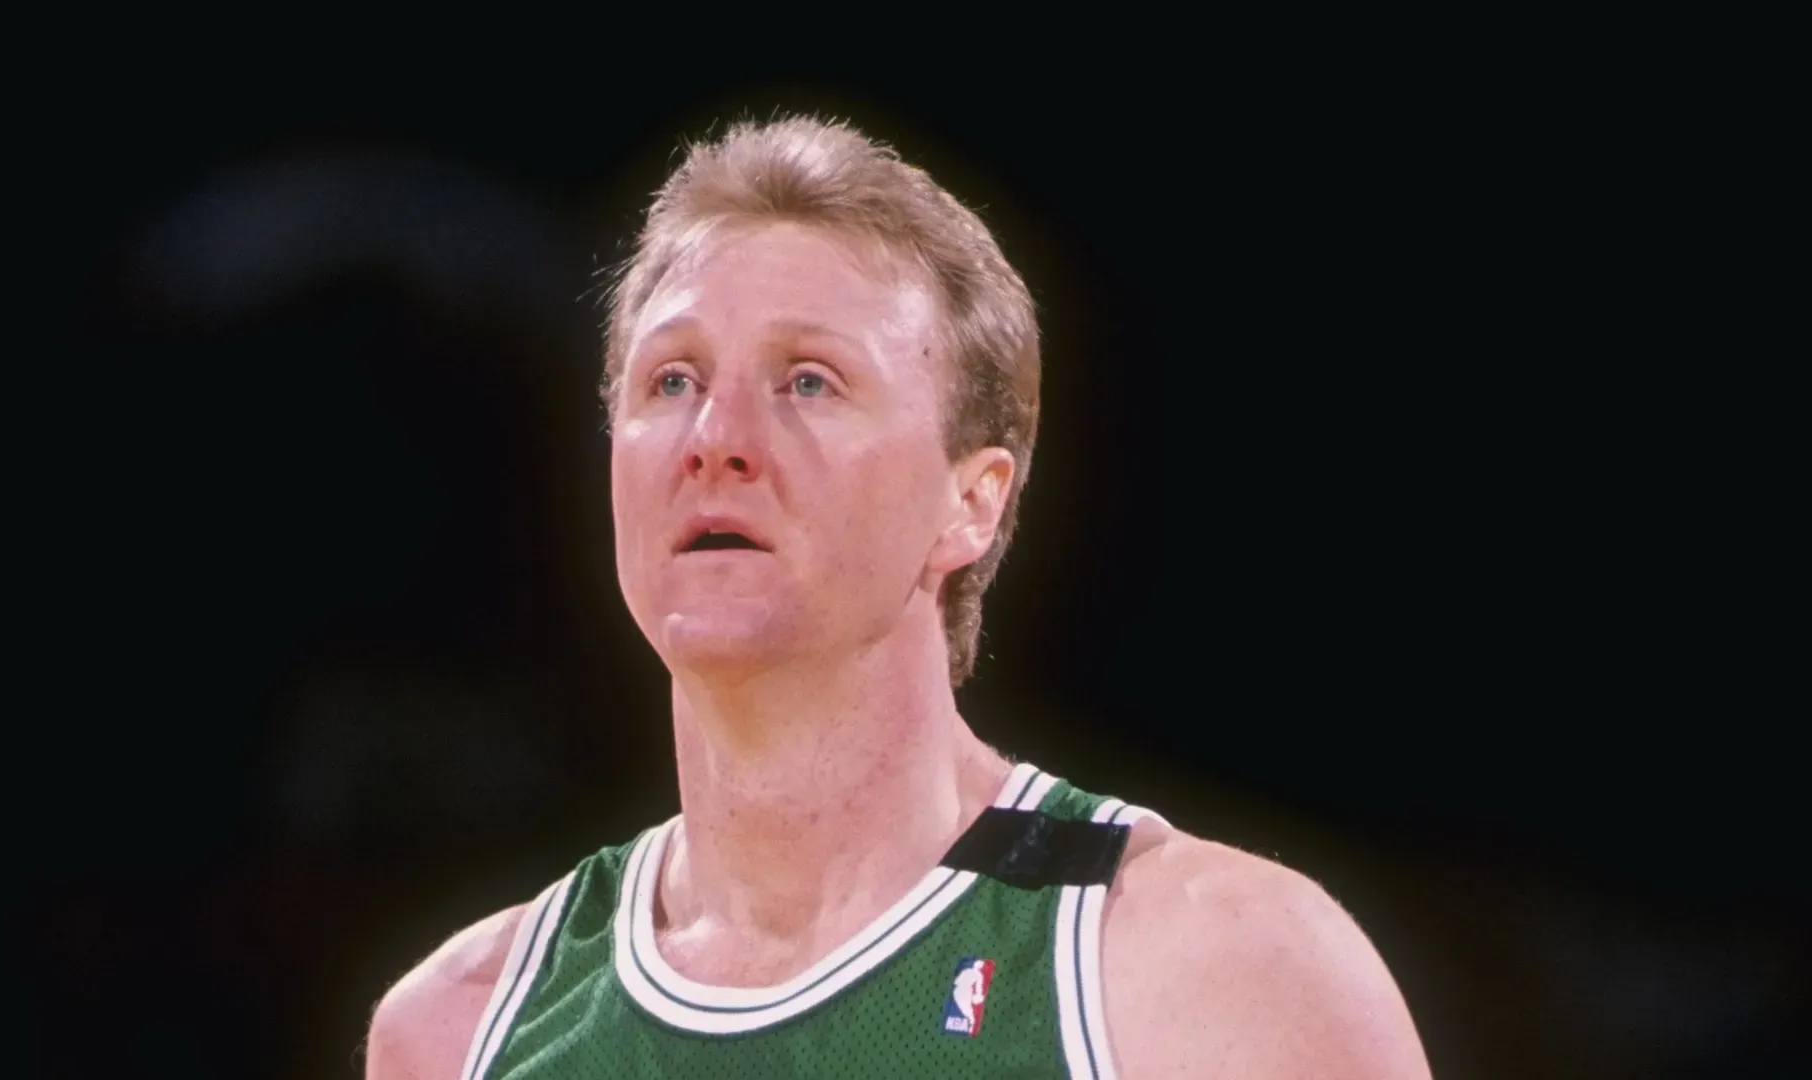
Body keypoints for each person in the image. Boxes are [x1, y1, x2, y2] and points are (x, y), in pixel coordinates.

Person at [366, 115, 1431, 1079]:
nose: (715, 442)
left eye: (809, 381)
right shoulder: (461, 1030)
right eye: (672, 380)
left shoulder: (1212, 976)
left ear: (970, 502)